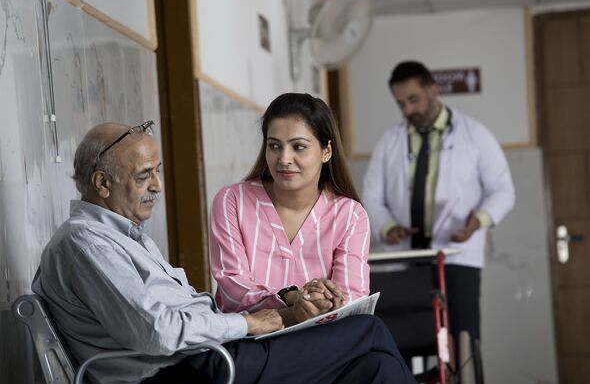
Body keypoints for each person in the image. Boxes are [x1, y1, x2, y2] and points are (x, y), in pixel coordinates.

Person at [32, 121, 415, 384]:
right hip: (185, 373)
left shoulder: (127, 236)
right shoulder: (85, 244)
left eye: (158, 171)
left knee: (375, 366)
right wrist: (249, 324)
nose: (158, 186)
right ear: (102, 183)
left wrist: (278, 316)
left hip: (210, 358)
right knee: (368, 330)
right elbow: (155, 331)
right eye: (144, 175)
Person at [363, 61, 515, 353]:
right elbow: (371, 196)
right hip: (406, 257)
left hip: (457, 258)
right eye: (400, 104)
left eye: (413, 100)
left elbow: (503, 190)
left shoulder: (474, 135)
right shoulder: (389, 142)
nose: (408, 110)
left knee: (462, 343)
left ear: (433, 91)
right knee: (402, 342)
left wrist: (479, 220)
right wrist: (388, 227)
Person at [209, 93, 370, 325]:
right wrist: (292, 298)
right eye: (274, 146)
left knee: (373, 332)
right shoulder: (232, 201)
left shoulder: (350, 215)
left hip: (324, 341)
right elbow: (232, 287)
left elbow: (353, 299)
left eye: (298, 147)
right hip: (253, 343)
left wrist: (323, 301)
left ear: (326, 151)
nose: (284, 158)